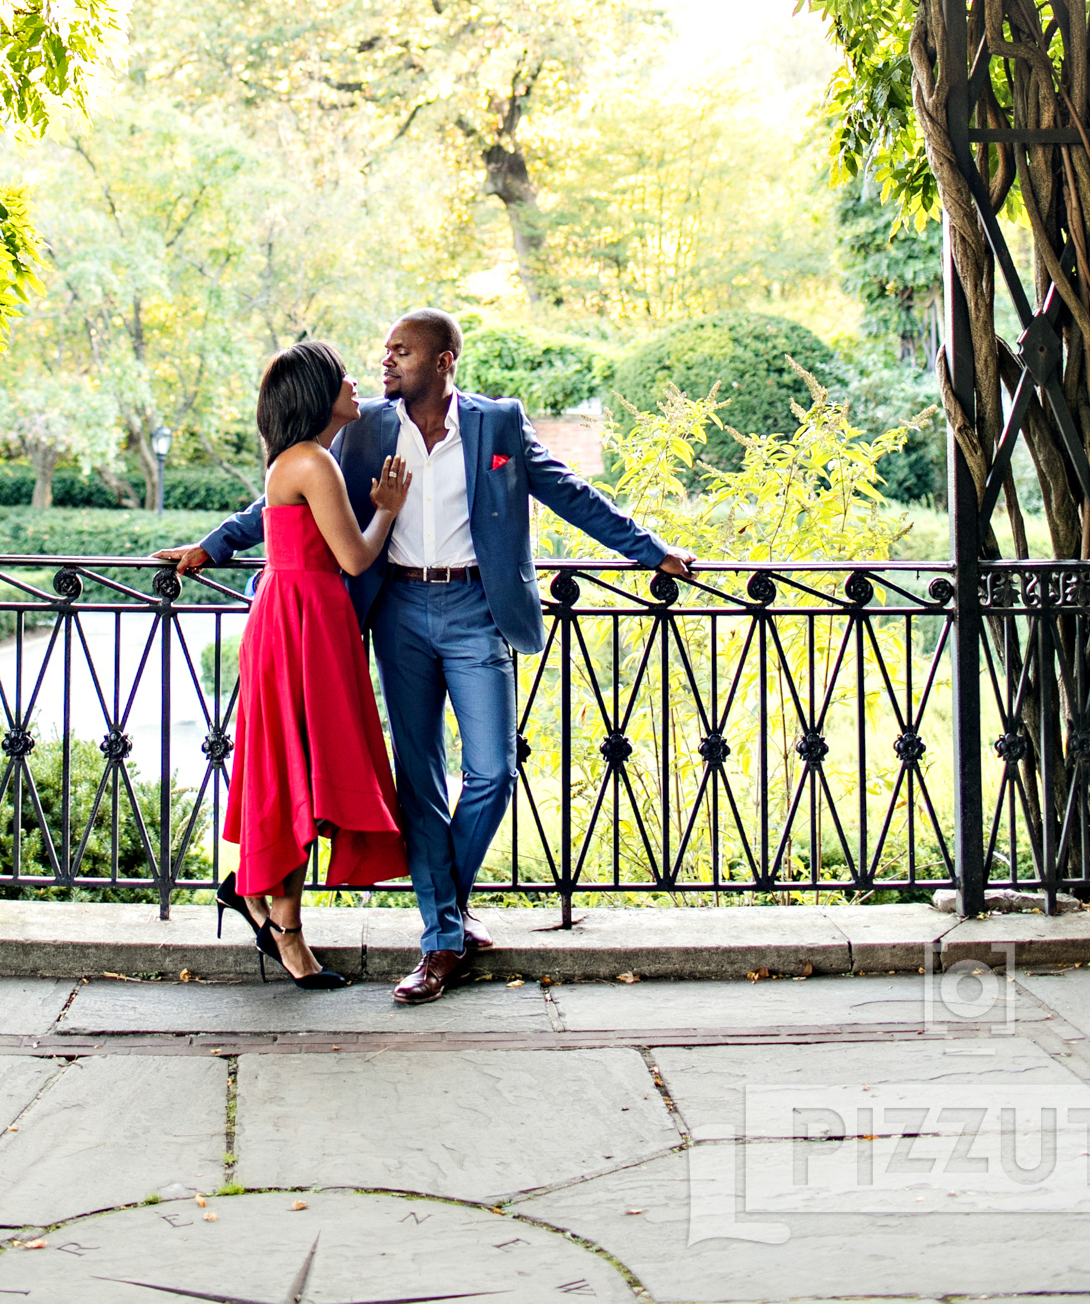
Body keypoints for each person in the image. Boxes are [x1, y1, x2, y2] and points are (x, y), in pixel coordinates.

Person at [164, 309, 695, 1004]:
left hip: (477, 610)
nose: (387, 362)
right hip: (398, 615)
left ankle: (442, 899)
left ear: (445, 361)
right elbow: (281, 499)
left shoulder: (497, 424)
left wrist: (651, 548)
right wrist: (214, 545)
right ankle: (442, 936)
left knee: (494, 772)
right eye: (384, 350)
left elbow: (568, 491)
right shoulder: (363, 430)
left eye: (403, 352)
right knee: (418, 781)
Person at [213, 339, 412, 989]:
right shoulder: (312, 463)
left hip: (301, 620)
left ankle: (260, 893)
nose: (356, 385)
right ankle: (284, 928)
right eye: (342, 378)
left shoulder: (296, 460)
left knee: (298, 768)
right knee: (300, 768)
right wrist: (387, 509)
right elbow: (355, 559)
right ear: (315, 396)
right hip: (303, 623)